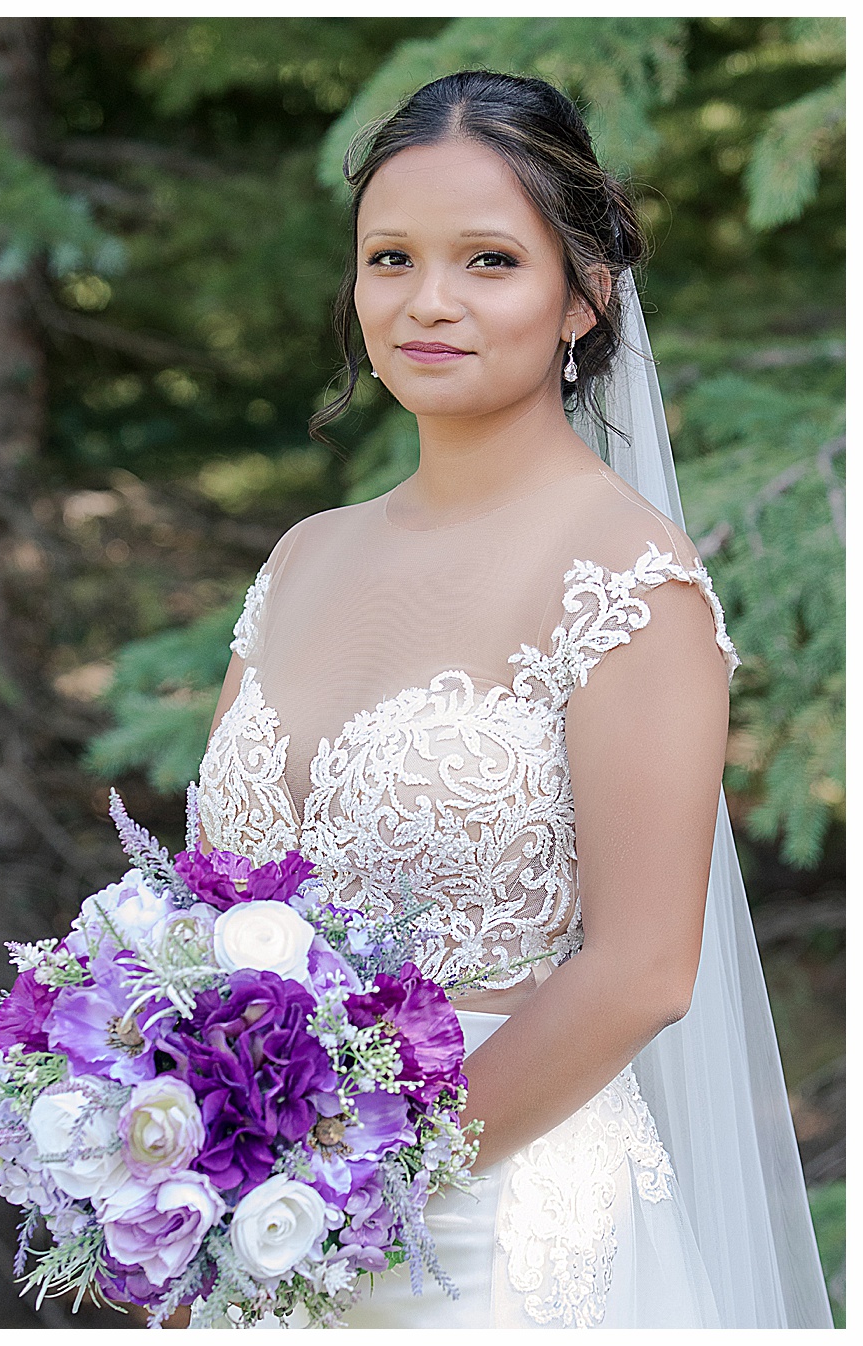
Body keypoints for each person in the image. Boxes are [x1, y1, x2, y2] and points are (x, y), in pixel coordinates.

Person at [198, 71, 829, 1328]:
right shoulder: (305, 556)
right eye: (392, 258)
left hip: (502, 1236)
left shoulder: (629, 579)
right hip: (266, 1223)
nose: (428, 301)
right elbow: (206, 905)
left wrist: (358, 1173)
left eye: (488, 259)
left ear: (583, 297)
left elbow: (644, 969)